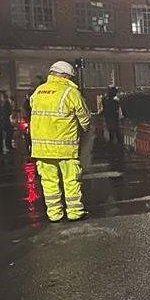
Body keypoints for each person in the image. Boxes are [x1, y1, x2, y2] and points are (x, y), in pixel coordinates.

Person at [29, 61, 92, 222]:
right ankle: (74, 212)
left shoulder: (38, 91)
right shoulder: (70, 92)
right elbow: (84, 118)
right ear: (66, 76)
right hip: (65, 147)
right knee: (71, 180)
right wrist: (86, 129)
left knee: (49, 182)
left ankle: (54, 214)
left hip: (41, 148)